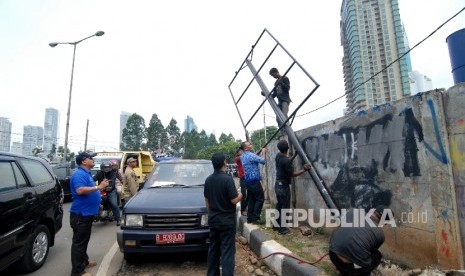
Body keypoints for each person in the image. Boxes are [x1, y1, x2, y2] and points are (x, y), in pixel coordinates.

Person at [69, 152, 109, 276]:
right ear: (83, 161)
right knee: (79, 243)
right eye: (90, 158)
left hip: (87, 213)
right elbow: (80, 190)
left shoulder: (86, 173)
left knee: (84, 240)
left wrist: (97, 203)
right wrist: (99, 187)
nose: (93, 160)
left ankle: (84, 262)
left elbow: (89, 191)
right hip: (81, 214)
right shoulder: (79, 174)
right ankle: (78, 272)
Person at [204, 152, 243, 276]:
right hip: (227, 221)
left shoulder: (208, 180)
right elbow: (233, 200)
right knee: (227, 251)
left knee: (213, 249)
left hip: (213, 219)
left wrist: (211, 214)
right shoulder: (227, 179)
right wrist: (241, 195)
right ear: (225, 162)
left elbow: (207, 201)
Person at [329, 206, 389, 276]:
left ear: (372, 211)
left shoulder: (352, 211)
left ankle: (343, 272)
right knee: (377, 256)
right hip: (352, 267)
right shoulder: (380, 235)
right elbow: (370, 251)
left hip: (333, 255)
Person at [274, 140, 311, 235]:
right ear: (287, 148)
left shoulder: (279, 156)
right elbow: (292, 174)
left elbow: (286, 162)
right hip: (284, 187)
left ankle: (276, 225)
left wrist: (294, 155)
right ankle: (282, 230)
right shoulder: (285, 160)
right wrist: (304, 169)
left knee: (279, 206)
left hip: (277, 185)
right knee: (285, 208)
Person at [240, 141, 266, 224]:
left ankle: (250, 218)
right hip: (254, 180)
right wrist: (263, 152)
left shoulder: (242, 156)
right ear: (245, 148)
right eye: (249, 144)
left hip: (247, 181)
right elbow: (263, 161)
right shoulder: (251, 155)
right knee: (260, 198)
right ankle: (255, 217)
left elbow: (253, 161)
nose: (251, 145)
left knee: (251, 199)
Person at [93, 161, 122, 226]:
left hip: (111, 191)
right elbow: (93, 179)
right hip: (101, 190)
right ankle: (94, 216)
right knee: (94, 201)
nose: (106, 169)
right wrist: (91, 184)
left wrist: (109, 183)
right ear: (102, 167)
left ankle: (118, 219)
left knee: (114, 204)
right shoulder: (99, 173)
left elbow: (112, 180)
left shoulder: (113, 173)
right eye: (105, 167)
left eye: (108, 167)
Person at [234, 146, 248, 216]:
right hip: (242, 178)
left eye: (242, 151)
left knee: (249, 193)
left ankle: (247, 208)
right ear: (238, 153)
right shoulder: (237, 158)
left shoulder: (244, 157)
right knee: (243, 194)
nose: (241, 152)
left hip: (247, 178)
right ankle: (243, 210)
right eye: (240, 151)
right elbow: (241, 157)